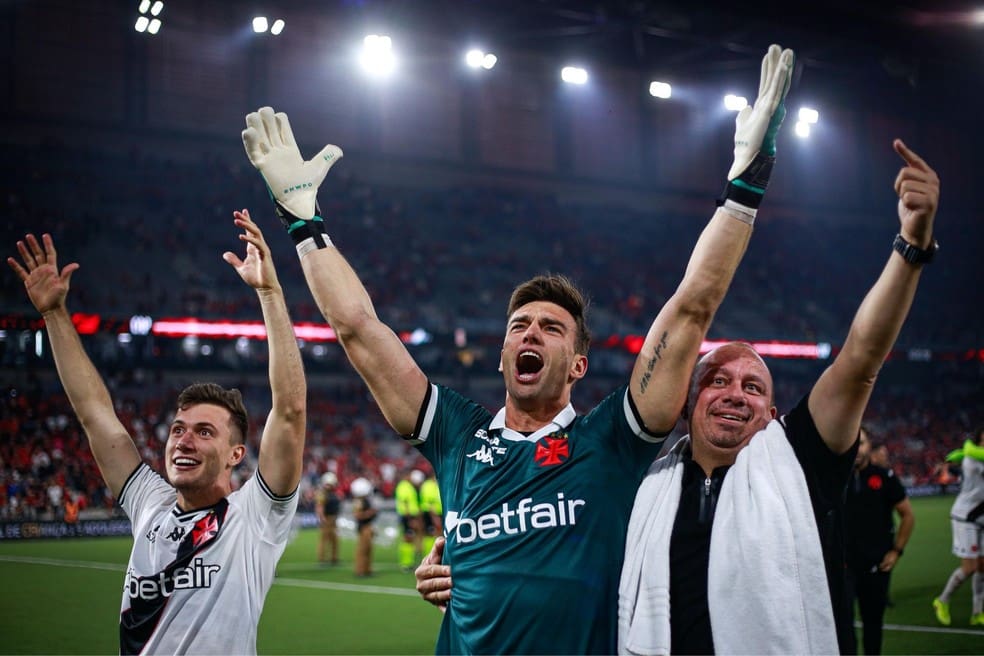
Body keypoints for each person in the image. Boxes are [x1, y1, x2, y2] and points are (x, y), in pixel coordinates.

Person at [242, 44, 794, 654]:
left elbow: (691, 308)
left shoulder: (611, 439)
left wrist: (745, 185)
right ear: (503, 355)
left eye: (551, 329)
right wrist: (303, 222)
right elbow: (358, 329)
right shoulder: (454, 433)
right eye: (519, 326)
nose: (530, 333)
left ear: (579, 365)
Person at [418, 139, 941, 655]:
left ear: (773, 415)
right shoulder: (640, 475)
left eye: (753, 386)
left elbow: (860, 361)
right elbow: (549, 548)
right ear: (687, 407)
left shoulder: (798, 458)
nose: (734, 392)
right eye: (716, 380)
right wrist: (464, 570)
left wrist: (910, 249)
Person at [7, 210, 308, 655]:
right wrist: (54, 314)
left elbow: (290, 410)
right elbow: (95, 414)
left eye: (205, 432)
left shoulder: (255, 518)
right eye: (178, 429)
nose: (183, 441)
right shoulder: (151, 505)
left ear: (235, 454)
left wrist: (269, 292)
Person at [845, 427, 915, 654]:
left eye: (861, 442)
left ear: (869, 447)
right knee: (842, 629)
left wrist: (896, 551)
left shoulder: (884, 477)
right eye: (851, 441)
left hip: (877, 567)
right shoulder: (832, 477)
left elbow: (908, 515)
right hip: (841, 568)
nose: (856, 447)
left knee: (873, 627)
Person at [932, 427, 984, 626]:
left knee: (982, 567)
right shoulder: (973, 460)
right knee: (970, 567)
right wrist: (966, 450)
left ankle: (977, 613)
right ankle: (942, 600)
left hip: (981, 517)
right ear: (978, 441)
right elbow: (970, 453)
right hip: (966, 517)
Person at [395, 468, 425, 572]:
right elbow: (405, 503)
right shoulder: (404, 486)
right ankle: (406, 564)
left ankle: (408, 562)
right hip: (407, 517)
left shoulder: (407, 486)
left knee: (409, 539)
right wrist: (410, 520)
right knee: (407, 539)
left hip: (409, 516)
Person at [350, 476, 377, 577]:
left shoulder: (365, 500)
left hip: (368, 526)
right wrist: (370, 513)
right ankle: (360, 570)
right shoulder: (359, 501)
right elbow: (357, 515)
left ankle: (367, 569)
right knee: (362, 550)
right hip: (364, 527)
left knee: (369, 549)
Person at [316, 471, 340, 565]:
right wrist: (321, 518)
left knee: (334, 539)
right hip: (327, 518)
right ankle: (322, 558)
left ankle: (334, 558)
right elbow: (319, 506)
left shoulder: (333, 493)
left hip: (334, 518)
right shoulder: (322, 494)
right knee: (324, 539)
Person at [418, 470, 443, 555]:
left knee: (438, 534)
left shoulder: (436, 484)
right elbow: (429, 501)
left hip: (439, 512)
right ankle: (429, 554)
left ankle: (436, 554)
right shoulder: (428, 485)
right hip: (430, 513)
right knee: (430, 533)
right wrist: (434, 516)